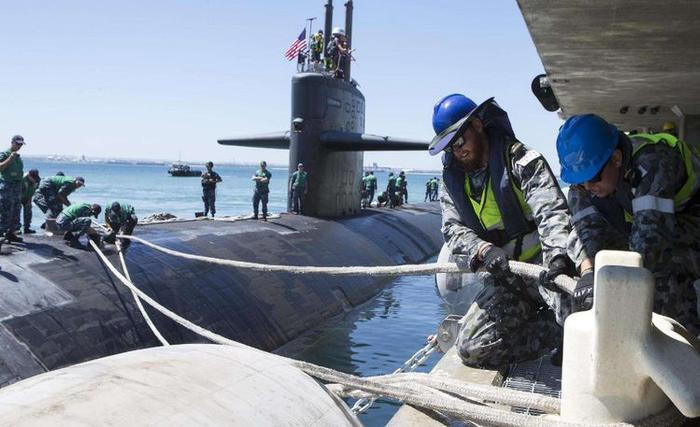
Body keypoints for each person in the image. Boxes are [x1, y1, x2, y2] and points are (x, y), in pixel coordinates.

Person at [429, 94, 574, 369]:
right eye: (450, 147)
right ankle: (552, 334)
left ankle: (568, 333)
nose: (458, 151)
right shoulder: (452, 182)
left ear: (478, 125)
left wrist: (558, 258)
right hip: (506, 273)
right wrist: (482, 250)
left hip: (546, 269)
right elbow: (452, 228)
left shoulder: (522, 161)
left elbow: (552, 213)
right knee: (471, 349)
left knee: (582, 325)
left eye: (460, 141)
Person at [556, 114, 700, 335]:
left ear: (616, 158)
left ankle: (682, 340)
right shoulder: (584, 185)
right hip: (644, 227)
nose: (587, 186)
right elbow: (585, 234)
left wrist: (610, 287)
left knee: (661, 273)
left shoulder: (654, 162)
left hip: (688, 223)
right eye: (579, 181)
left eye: (593, 177)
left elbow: (650, 243)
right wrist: (588, 274)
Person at [0, 135, 25, 248]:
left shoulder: (18, 157)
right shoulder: (5, 154)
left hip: (17, 187)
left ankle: (11, 233)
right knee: (5, 210)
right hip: (7, 186)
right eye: (18, 143)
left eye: (21, 144)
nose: (19, 146)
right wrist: (10, 158)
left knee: (16, 210)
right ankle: (1, 234)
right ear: (12, 142)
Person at [21, 169, 40, 234]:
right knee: (15, 213)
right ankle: (15, 229)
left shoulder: (37, 180)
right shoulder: (22, 179)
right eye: (33, 177)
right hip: (17, 197)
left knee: (28, 211)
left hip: (27, 197)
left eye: (35, 177)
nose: (34, 180)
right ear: (29, 175)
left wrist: (30, 200)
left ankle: (26, 228)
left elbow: (33, 190)